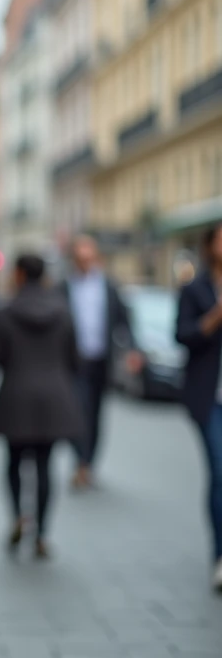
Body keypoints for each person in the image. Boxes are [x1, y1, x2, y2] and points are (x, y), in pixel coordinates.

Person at [0, 254, 84, 560]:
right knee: (45, 466)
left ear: (18, 274)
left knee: (13, 463)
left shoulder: (4, 312)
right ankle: (42, 533)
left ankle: (18, 516)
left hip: (16, 394)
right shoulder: (63, 311)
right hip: (54, 397)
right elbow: (75, 358)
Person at [59, 234, 138, 489]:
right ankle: (80, 460)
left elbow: (125, 320)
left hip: (100, 361)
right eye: (80, 258)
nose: (85, 263)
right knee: (76, 411)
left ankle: (88, 462)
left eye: (89, 258)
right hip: (73, 362)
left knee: (94, 414)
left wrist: (133, 349)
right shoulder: (63, 287)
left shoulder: (108, 286)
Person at [175, 223, 222, 592]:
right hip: (211, 398)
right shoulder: (195, 289)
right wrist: (213, 318)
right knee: (220, 472)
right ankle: (220, 556)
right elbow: (182, 335)